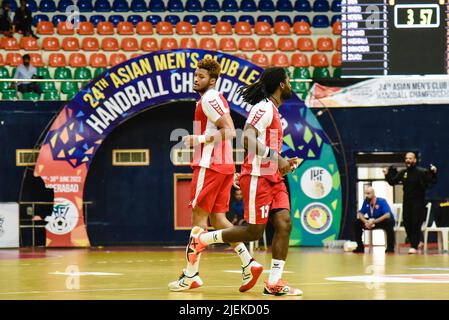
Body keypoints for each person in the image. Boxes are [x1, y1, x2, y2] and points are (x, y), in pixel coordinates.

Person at [184, 67, 303, 296]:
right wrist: (276, 158)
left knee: (284, 223)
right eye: (287, 81)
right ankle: (203, 239)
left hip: (274, 178)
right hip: (257, 177)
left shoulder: (276, 112)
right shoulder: (263, 108)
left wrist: (285, 163)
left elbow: (270, 150)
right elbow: (246, 137)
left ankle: (274, 283)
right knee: (254, 232)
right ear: (280, 84)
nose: (290, 85)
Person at [168, 58, 263, 292]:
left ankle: (191, 275)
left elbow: (230, 131)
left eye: (200, 76)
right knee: (219, 220)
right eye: (195, 76)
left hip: (209, 164)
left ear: (212, 79)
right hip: (223, 165)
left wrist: (198, 139)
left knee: (198, 222)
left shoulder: (209, 98)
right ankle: (248, 262)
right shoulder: (214, 98)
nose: (196, 80)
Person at [384, 152, 437, 254]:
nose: (408, 160)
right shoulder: (403, 172)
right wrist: (387, 174)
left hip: (418, 202)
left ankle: (414, 246)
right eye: (406, 158)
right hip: (407, 202)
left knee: (416, 224)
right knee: (407, 223)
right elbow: (392, 182)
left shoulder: (421, 172)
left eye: (410, 158)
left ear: (415, 160)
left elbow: (432, 181)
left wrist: (434, 172)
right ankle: (416, 242)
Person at [353, 186, 395, 253]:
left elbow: (387, 215)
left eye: (368, 193)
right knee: (357, 222)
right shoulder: (366, 202)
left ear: (373, 193)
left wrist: (373, 221)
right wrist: (365, 221)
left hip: (381, 221)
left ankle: (390, 248)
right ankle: (360, 247)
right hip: (371, 222)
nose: (366, 195)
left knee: (389, 222)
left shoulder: (381, 201)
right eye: (365, 193)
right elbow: (360, 213)